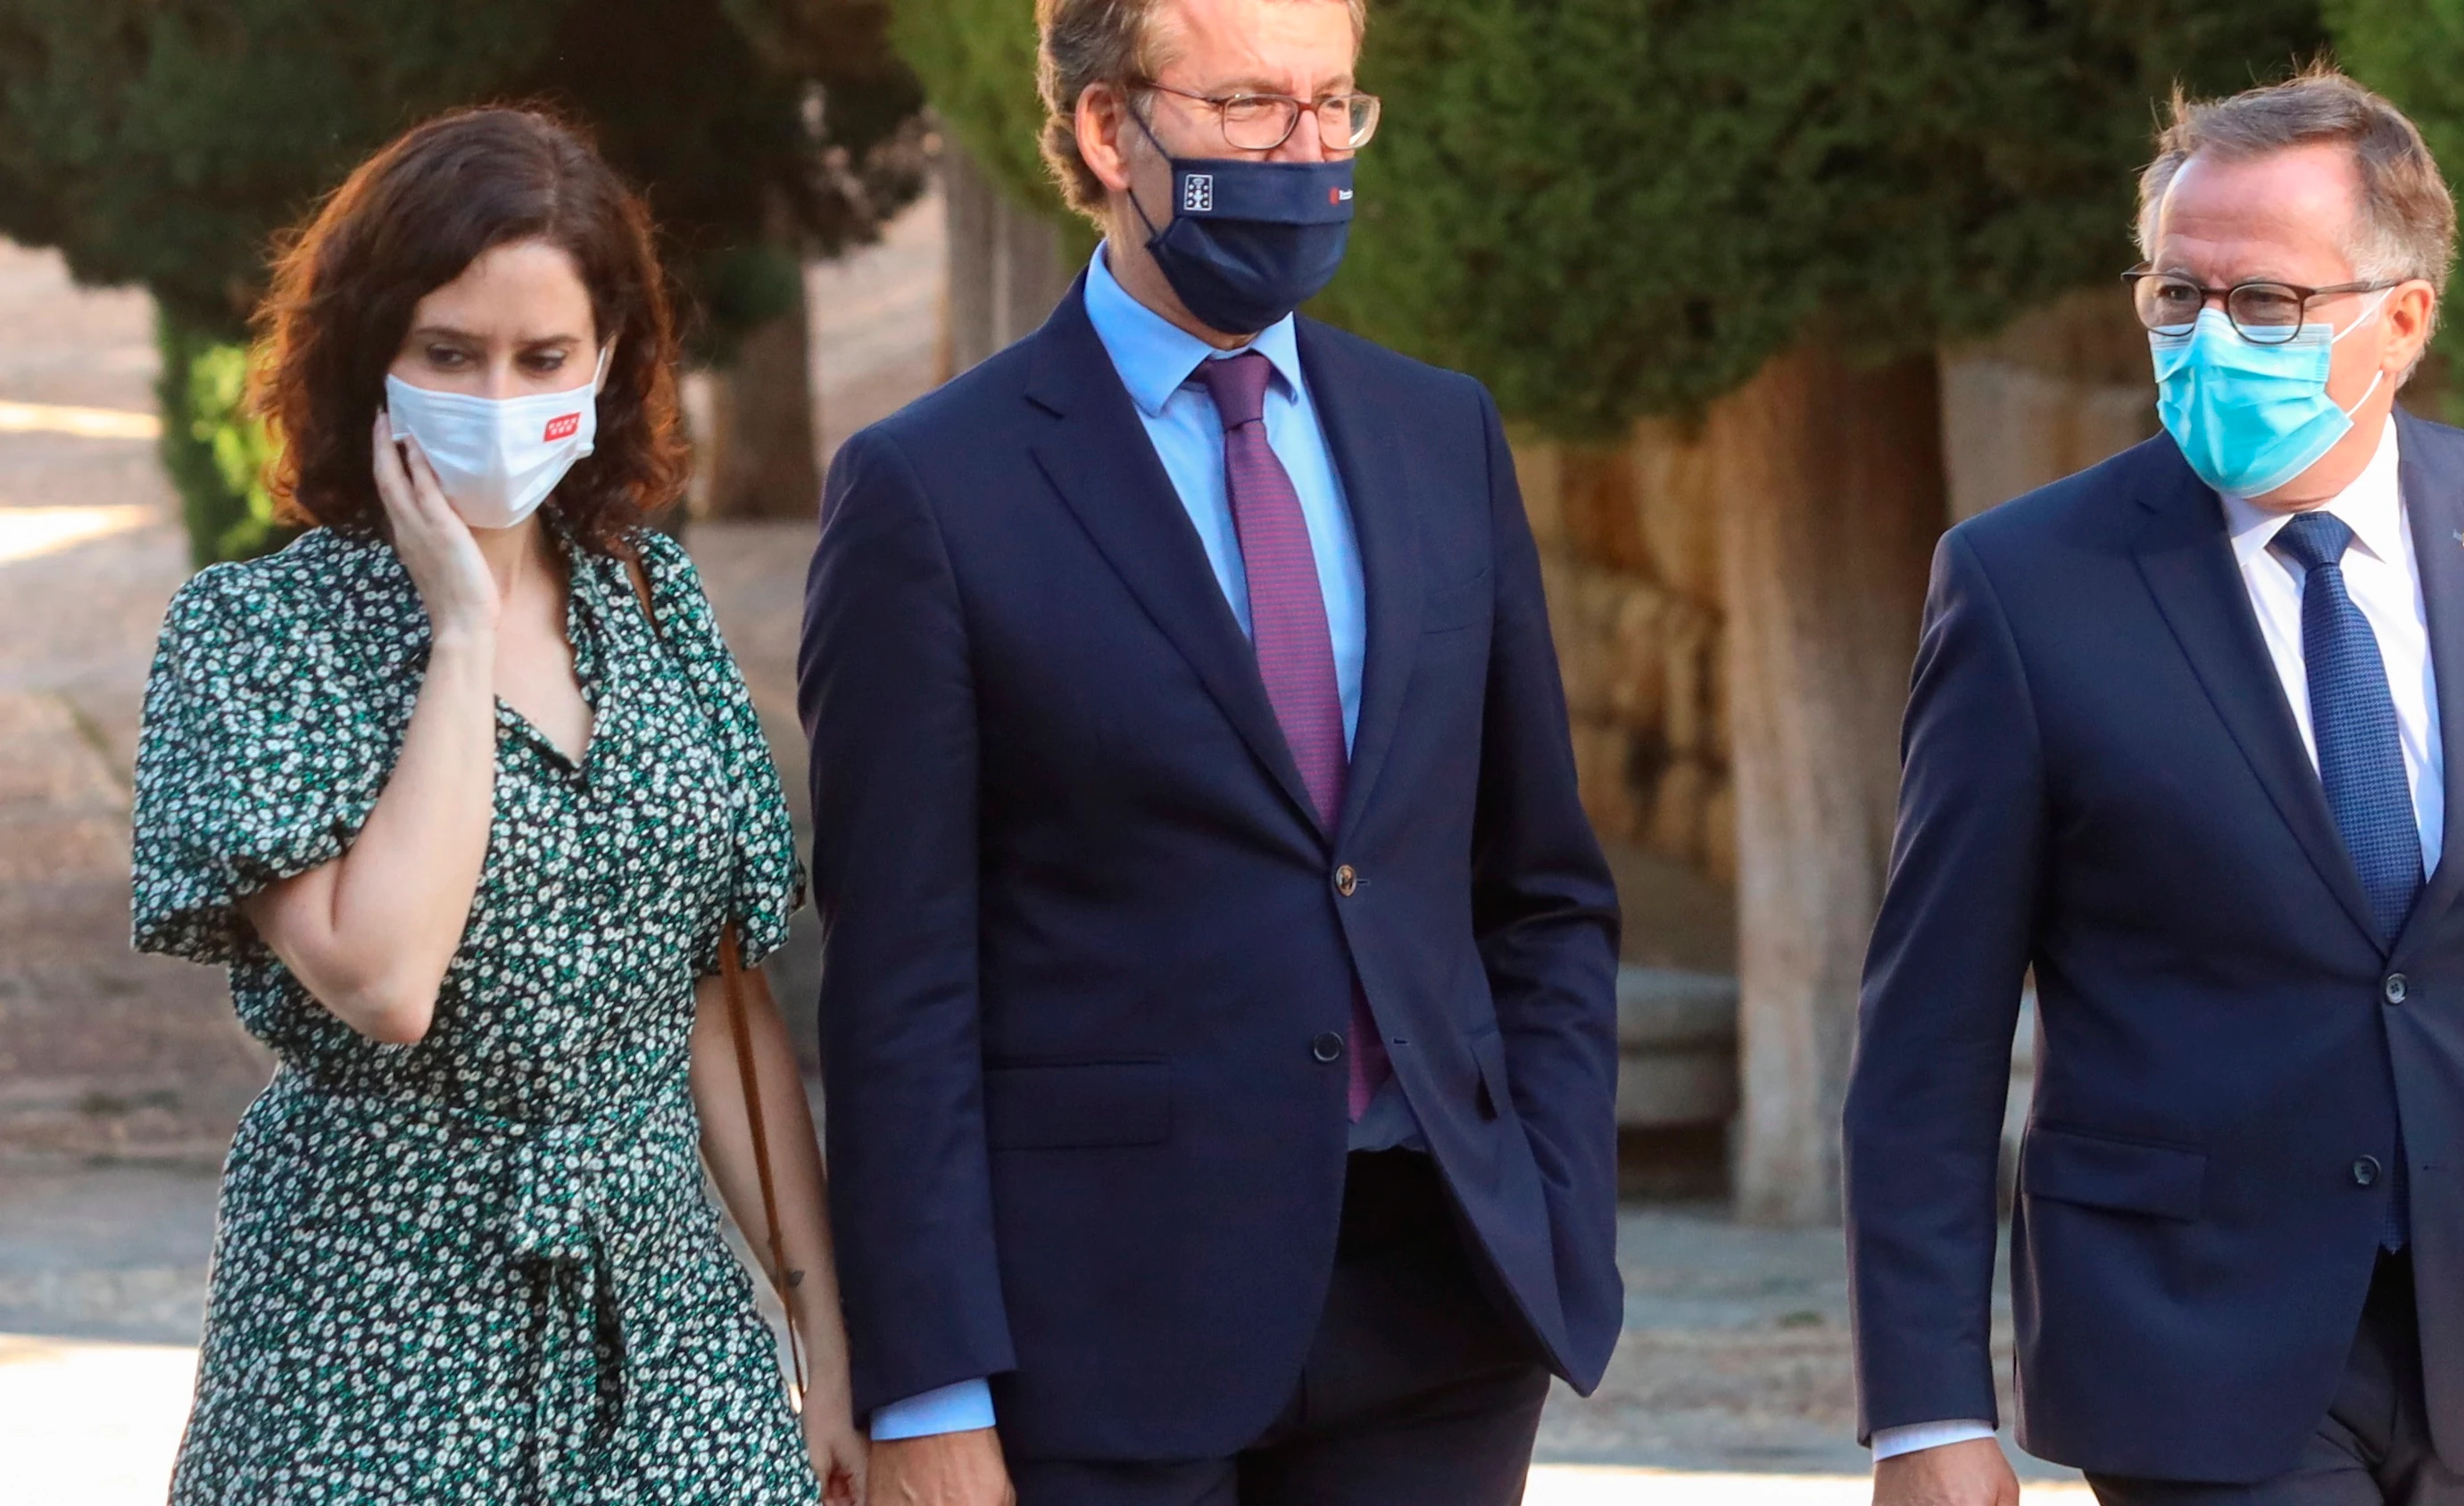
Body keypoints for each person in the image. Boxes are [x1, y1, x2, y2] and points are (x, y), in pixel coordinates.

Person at [797, 0, 1624, 1500]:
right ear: (1110, 129)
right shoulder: (930, 490)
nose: (1306, 155)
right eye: (1249, 108)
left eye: (1335, 108)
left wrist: (1557, 1204)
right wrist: (924, 1386)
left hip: (1442, 1309)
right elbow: (900, 979)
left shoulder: (1443, 434)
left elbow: (1539, 881)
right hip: (1101, 1333)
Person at [1844, 65, 2464, 1506]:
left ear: (2400, 322)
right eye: (2179, 295)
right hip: (2191, 1341)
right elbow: (1932, 1023)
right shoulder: (2028, 586)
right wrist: (1925, 1410)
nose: (2212, 338)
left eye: (2267, 303)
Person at [129, 108, 868, 1505]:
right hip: (367, 1338)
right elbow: (387, 978)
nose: (496, 394)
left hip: (664, 1340)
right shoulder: (258, 637)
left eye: (544, 358)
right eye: (448, 354)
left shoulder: (656, 605)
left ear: (607, 366)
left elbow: (718, 994)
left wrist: (825, 1340)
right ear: (370, 360)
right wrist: (463, 636)